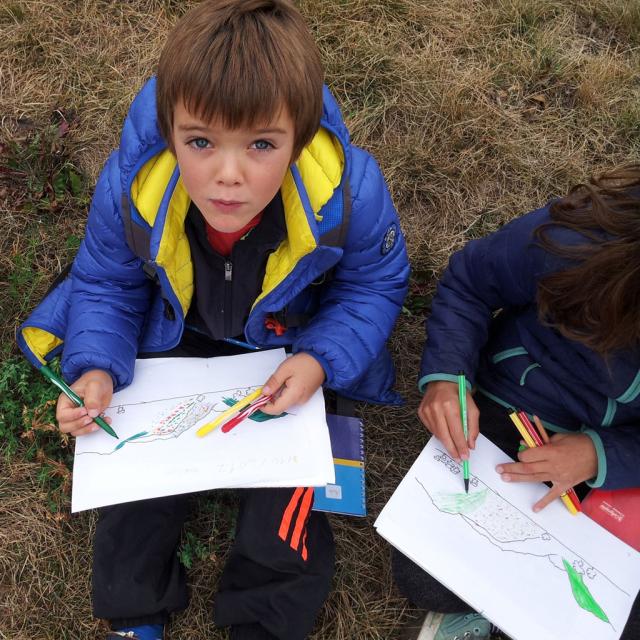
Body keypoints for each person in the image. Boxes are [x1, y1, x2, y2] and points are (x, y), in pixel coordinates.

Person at [17, 2, 409, 639]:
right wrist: (93, 369)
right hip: (175, 340)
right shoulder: (132, 185)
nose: (229, 176)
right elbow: (107, 286)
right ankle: (133, 612)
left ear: (300, 137)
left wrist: (319, 359)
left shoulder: (350, 192)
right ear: (171, 132)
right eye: (201, 143)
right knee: (133, 480)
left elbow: (374, 285)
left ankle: (262, 625)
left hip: (289, 351)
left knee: (287, 506)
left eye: (261, 144)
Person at [393, 166, 640, 640]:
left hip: (622, 459)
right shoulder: (584, 239)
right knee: (426, 572)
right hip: (522, 405)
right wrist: (447, 378)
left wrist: (598, 455)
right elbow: (470, 283)